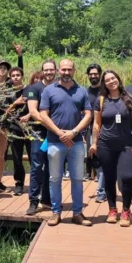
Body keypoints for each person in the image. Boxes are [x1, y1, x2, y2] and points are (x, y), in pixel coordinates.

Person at [39, 59, 93, 227]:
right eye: (63, 69)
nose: (66, 72)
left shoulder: (81, 91)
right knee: (55, 178)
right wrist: (60, 133)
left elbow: (88, 115)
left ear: (74, 71)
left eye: (69, 69)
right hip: (55, 141)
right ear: (58, 71)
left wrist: (74, 132)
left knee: (77, 178)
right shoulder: (49, 90)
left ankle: (77, 213)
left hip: (76, 142)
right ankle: (56, 212)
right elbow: (43, 115)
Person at [89, 70, 132, 227]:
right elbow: (97, 123)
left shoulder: (130, 99)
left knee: (126, 177)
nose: (111, 81)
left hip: (125, 144)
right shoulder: (101, 100)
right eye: (107, 80)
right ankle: (112, 209)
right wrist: (93, 143)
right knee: (109, 178)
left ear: (118, 79)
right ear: (104, 83)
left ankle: (126, 210)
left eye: (113, 78)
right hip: (105, 144)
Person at [0, 43, 24, 195]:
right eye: (1, 67)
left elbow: (20, 72)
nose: (3, 70)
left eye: (5, 68)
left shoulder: (9, 84)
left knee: (1, 155)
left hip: (5, 125)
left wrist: (20, 56)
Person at [24, 61, 56, 215]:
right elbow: (33, 111)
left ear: (55, 71)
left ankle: (48, 199)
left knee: (53, 168)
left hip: (56, 134)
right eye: (46, 70)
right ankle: (33, 201)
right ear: (42, 71)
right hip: (38, 133)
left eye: (51, 70)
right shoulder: (34, 88)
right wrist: (51, 125)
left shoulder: (60, 87)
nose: (49, 72)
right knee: (37, 167)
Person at [4, 67, 30, 196]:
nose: (15, 77)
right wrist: (15, 103)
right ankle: (19, 184)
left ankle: (37, 184)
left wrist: (29, 115)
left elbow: (36, 106)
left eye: (18, 75)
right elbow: (5, 111)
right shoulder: (8, 92)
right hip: (14, 128)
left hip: (30, 128)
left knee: (33, 157)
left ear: (22, 76)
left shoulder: (29, 90)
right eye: (13, 75)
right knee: (16, 158)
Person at [84, 64, 106, 204]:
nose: (93, 76)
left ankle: (102, 191)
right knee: (95, 160)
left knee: (104, 161)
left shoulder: (105, 91)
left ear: (100, 74)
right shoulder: (85, 92)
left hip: (107, 130)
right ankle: (101, 189)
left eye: (95, 74)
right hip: (90, 129)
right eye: (90, 74)